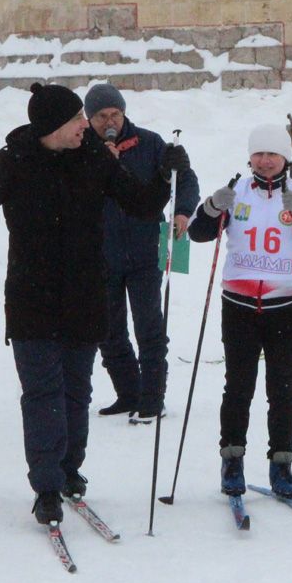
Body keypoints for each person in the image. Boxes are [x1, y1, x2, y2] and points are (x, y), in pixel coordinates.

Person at [0, 83, 188, 525]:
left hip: (84, 297)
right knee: (42, 395)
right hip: (31, 298)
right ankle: (47, 485)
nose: (85, 126)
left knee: (76, 392)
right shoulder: (14, 160)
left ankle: (70, 470)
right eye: (77, 119)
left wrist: (168, 175)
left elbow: (143, 204)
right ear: (53, 127)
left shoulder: (93, 158)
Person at [188, 123, 292, 499]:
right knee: (238, 385)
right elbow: (198, 233)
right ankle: (232, 459)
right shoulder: (236, 189)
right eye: (259, 154)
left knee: (282, 387)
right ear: (250, 157)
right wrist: (210, 207)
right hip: (239, 302)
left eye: (273, 154)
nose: (266, 161)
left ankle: (281, 464)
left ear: (286, 157)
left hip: (286, 303)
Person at [84, 83, 200, 422]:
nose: (110, 122)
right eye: (102, 116)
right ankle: (128, 392)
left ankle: (151, 398)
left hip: (144, 250)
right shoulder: (82, 148)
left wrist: (182, 210)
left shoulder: (148, 143)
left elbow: (184, 179)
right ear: (90, 119)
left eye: (116, 114)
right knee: (107, 330)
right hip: (99, 254)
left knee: (149, 327)